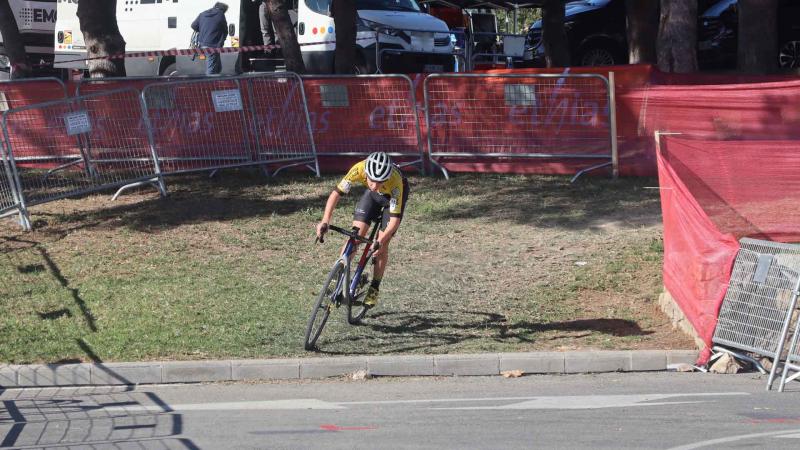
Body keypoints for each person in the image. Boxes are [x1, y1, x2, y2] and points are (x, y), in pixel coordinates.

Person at [316, 152, 409, 309]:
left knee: (382, 246)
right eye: (372, 180)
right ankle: (338, 279)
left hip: (391, 201)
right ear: (366, 173)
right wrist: (325, 220)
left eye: (380, 182)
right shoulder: (359, 169)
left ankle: (374, 287)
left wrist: (380, 241)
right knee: (355, 237)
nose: (375, 185)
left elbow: (394, 220)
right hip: (372, 198)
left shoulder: (395, 182)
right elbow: (335, 194)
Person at [191, 2, 229, 75]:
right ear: (223, 9)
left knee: (218, 67)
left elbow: (193, 25)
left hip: (203, 44)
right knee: (211, 69)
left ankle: (216, 83)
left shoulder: (203, 14)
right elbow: (225, 30)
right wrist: (222, 40)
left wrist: (203, 29)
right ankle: (209, 85)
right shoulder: (220, 15)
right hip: (213, 45)